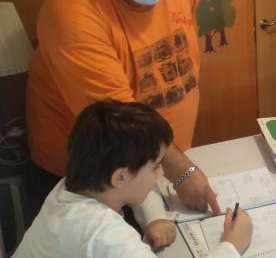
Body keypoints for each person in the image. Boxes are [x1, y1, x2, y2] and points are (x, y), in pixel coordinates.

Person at [26, 0, 218, 215]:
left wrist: (174, 165)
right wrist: (182, 171)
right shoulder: (72, 12)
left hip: (162, 162)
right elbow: (120, 121)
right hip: (98, 177)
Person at [14, 100, 252, 257]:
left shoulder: (75, 185)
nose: (160, 175)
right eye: (155, 167)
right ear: (120, 176)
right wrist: (232, 244)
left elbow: (135, 190)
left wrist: (155, 217)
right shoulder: (106, 237)